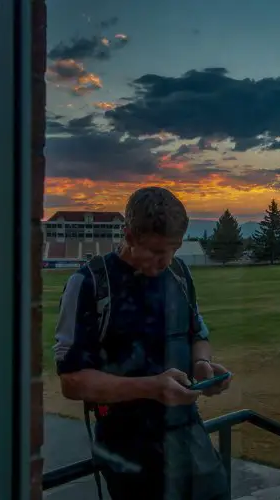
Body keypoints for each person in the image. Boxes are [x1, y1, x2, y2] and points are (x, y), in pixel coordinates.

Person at [53, 186, 233, 500]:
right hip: (126, 447)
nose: (164, 261)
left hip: (187, 431)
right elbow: (72, 380)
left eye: (172, 249)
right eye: (154, 251)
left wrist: (202, 365)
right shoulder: (89, 283)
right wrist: (152, 387)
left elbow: (197, 335)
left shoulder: (179, 273)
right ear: (129, 235)